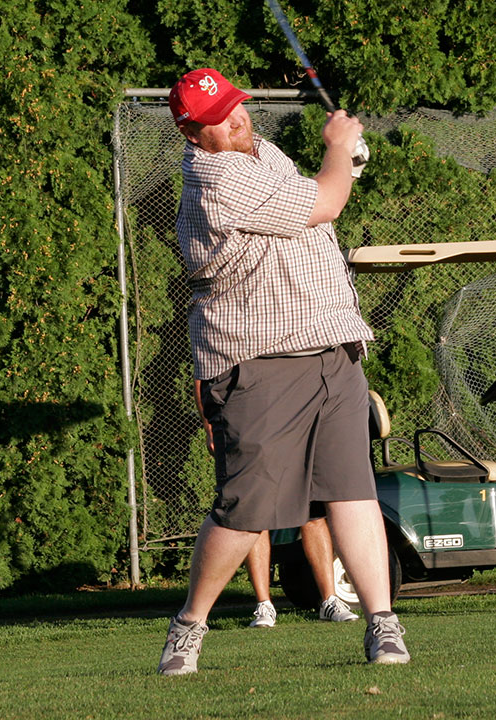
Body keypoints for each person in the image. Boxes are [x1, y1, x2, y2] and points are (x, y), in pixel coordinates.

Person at [157, 68, 408, 675]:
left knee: (353, 491)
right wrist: (339, 149)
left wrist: (346, 161)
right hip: (260, 362)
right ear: (193, 134)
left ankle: (382, 623)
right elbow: (325, 201)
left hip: (332, 350)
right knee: (246, 510)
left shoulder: (263, 152)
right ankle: (189, 625)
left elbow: (318, 195)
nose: (235, 119)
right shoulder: (216, 178)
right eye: (217, 118)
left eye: (235, 106)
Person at [192, 381, 358, 627]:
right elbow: (201, 378)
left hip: (298, 425)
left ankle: (329, 600)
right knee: (255, 516)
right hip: (253, 427)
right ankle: (264, 605)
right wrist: (209, 427)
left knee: (312, 513)